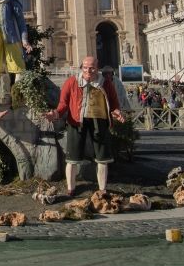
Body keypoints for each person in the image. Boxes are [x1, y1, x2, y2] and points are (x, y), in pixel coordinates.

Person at [44, 56, 124, 197]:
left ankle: (102, 189)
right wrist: (55, 113)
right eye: (85, 67)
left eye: (92, 67)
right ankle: (71, 188)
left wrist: (116, 112)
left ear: (97, 68)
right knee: (72, 157)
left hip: (100, 121)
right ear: (81, 68)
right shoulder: (71, 82)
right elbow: (63, 104)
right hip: (76, 121)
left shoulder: (105, 83)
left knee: (102, 157)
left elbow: (113, 102)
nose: (88, 70)